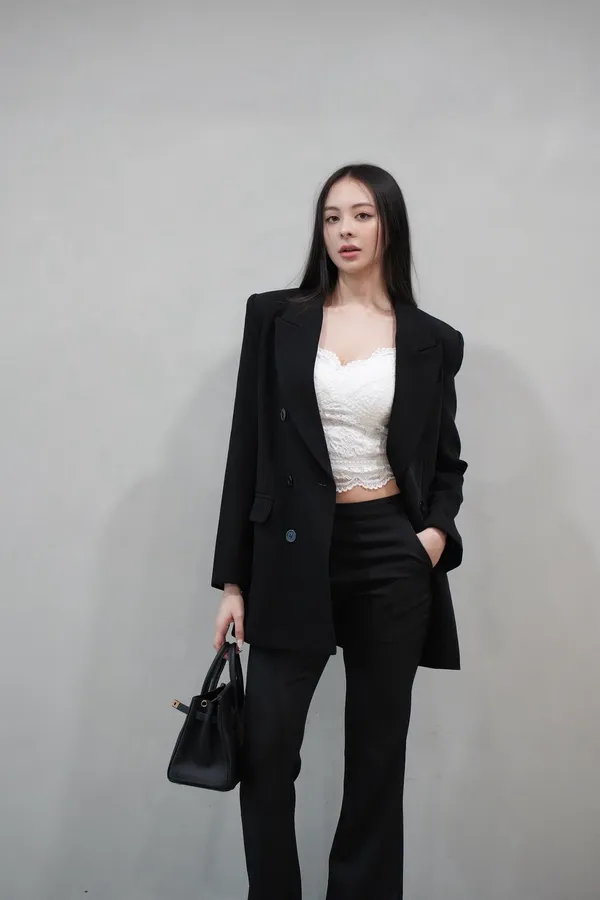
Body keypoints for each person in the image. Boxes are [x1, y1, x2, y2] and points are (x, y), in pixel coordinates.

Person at [210, 162, 468, 900]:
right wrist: (233, 581)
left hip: (390, 554)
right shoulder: (276, 319)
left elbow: (445, 463)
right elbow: (246, 448)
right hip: (292, 555)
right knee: (266, 749)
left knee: (377, 759)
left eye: (361, 215)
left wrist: (432, 536)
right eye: (331, 217)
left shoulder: (433, 340)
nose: (345, 231)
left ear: (389, 226)